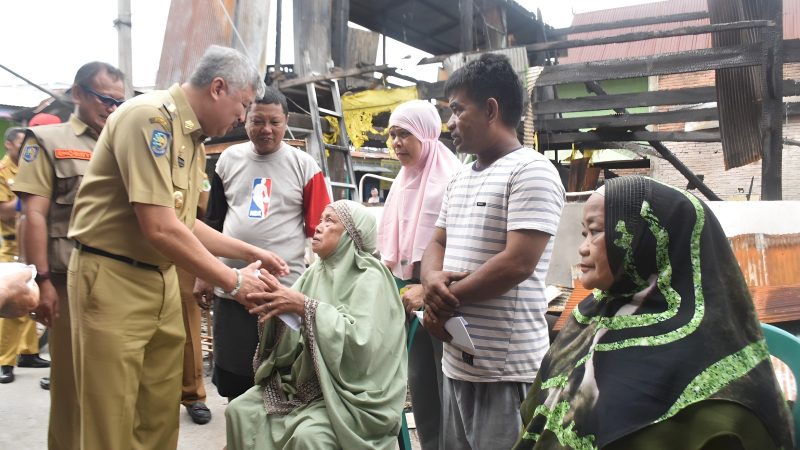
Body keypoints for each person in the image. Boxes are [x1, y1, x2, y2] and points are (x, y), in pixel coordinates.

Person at [66, 45, 289, 450]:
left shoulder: (194, 141)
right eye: (242, 106)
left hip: (162, 279)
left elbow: (185, 223)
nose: (243, 118)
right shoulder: (148, 119)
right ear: (218, 88)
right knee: (111, 414)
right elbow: (159, 227)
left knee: (159, 408)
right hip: (113, 277)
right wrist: (233, 280)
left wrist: (248, 252)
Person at [513, 176, 793, 450]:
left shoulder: (709, 358)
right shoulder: (589, 317)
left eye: (596, 231)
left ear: (646, 238)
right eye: (585, 233)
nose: (582, 248)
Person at [420, 53, 565, 450]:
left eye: (457, 110)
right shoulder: (461, 177)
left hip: (506, 371)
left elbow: (518, 263)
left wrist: (441, 300)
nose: (449, 123)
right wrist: (431, 280)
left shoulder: (531, 171)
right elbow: (437, 241)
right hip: (457, 362)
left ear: (490, 110)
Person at [225, 200, 407, 450]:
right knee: (239, 410)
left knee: (309, 438)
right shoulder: (314, 272)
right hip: (302, 382)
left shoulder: (370, 276)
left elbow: (362, 346)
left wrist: (304, 307)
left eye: (329, 221)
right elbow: (290, 338)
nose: (318, 228)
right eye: (320, 219)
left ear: (352, 234)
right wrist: (274, 309)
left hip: (352, 396)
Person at [13, 63, 123, 449]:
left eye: (118, 101)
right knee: (72, 385)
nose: (112, 107)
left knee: (112, 387)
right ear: (78, 93)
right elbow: (34, 217)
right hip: (67, 279)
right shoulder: (47, 140)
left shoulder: (124, 142)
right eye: (104, 98)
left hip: (120, 281)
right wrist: (40, 282)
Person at [199, 86, 330, 404]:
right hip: (230, 286)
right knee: (234, 377)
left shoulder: (304, 165)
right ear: (245, 120)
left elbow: (322, 231)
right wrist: (203, 273)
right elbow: (213, 223)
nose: (266, 130)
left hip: (282, 291)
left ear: (286, 122)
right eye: (257, 121)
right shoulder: (228, 160)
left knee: (281, 379)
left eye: (274, 122)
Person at [376, 99, 461, 450]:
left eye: (405, 134)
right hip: (405, 294)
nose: (397, 142)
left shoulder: (452, 178)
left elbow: (456, 244)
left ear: (427, 135)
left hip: (440, 294)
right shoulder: (401, 181)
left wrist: (424, 287)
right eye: (393, 135)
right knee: (419, 379)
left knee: (448, 380)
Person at [0, 126, 50, 385]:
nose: (26, 150)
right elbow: (4, 212)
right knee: (14, 301)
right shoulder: (2, 172)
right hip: (11, 248)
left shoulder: (33, 166)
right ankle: (4, 361)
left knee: (34, 297)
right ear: (9, 145)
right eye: (21, 145)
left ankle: (28, 352)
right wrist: (29, 200)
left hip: (34, 243)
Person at [176, 180, 211, 425]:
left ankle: (193, 395)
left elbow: (205, 216)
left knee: (189, 325)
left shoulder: (193, 158)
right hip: (136, 253)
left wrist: (205, 268)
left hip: (182, 252)